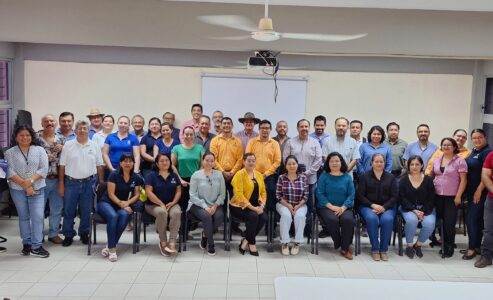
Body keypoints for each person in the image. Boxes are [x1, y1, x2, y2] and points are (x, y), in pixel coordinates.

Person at [5, 125, 49, 257]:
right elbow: (9, 171)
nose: (25, 137)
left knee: (38, 217)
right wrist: (25, 186)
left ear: (32, 136)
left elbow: (44, 169)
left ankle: (37, 245)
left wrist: (29, 183)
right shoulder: (9, 152)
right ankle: (27, 244)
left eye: (27, 135)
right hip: (17, 189)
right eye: (21, 135)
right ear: (16, 137)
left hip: (38, 187)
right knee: (23, 217)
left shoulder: (40, 150)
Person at [59, 120, 105, 247]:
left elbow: (99, 165)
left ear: (88, 130)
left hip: (89, 183)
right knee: (69, 211)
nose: (82, 130)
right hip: (71, 183)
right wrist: (61, 184)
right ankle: (68, 235)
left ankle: (84, 233)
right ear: (75, 130)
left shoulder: (94, 145)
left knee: (86, 211)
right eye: (80, 128)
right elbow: (62, 166)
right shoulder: (68, 145)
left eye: (85, 128)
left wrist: (101, 183)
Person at [97, 153, 143, 262]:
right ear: (120, 163)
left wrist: (127, 203)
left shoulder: (136, 177)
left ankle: (109, 244)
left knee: (124, 215)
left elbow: (137, 194)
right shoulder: (114, 174)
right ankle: (112, 250)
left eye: (130, 161)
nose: (128, 163)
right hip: (107, 203)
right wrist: (122, 204)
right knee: (113, 216)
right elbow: (111, 194)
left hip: (122, 204)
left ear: (133, 163)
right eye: (125, 161)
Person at [283, 119, 322, 236]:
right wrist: (296, 173)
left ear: (309, 128)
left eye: (306, 126)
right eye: (302, 126)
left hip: (310, 180)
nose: (304, 128)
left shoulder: (315, 142)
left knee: (309, 206)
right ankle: (292, 230)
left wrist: (307, 173)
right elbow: (285, 159)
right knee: (292, 205)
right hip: (291, 180)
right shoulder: (290, 142)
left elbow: (318, 160)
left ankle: (307, 230)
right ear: (297, 128)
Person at [430, 137, 467, 257]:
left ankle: (450, 245)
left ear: (454, 147)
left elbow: (463, 181)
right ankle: (442, 243)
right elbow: (432, 175)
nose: (446, 147)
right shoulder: (437, 159)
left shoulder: (460, 160)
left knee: (449, 223)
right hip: (437, 195)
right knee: (440, 221)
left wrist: (458, 196)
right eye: (444, 145)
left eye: (449, 145)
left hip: (452, 197)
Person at [357, 153, 398, 261]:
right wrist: (372, 205)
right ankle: (375, 249)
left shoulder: (391, 177)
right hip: (368, 206)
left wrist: (384, 207)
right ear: (371, 163)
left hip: (387, 207)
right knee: (372, 218)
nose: (379, 163)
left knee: (387, 219)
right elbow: (360, 196)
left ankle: (383, 249)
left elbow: (394, 196)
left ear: (385, 163)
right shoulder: (365, 176)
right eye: (376, 161)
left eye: (381, 162)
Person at [316, 152, 355, 260]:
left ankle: (345, 248)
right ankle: (340, 243)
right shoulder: (324, 176)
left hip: (344, 207)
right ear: (328, 163)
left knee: (348, 219)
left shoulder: (347, 177)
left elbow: (351, 194)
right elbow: (319, 193)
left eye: (337, 161)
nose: (334, 163)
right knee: (332, 219)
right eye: (331, 161)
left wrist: (343, 207)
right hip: (326, 207)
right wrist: (332, 207)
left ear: (341, 162)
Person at [188, 152, 226, 255]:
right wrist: (205, 206)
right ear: (202, 161)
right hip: (197, 205)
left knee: (219, 217)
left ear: (214, 162)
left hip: (215, 204)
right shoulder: (196, 175)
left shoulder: (219, 175)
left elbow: (222, 194)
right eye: (207, 160)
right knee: (207, 217)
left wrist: (215, 205)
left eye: (211, 161)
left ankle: (205, 233)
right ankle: (211, 243)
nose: (209, 163)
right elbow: (193, 195)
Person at [230, 153, 268, 256]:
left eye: (253, 161)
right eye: (249, 160)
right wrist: (254, 208)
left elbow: (263, 192)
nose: (251, 163)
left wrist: (262, 205)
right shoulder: (239, 174)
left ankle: (245, 240)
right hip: (239, 205)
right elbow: (238, 195)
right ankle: (252, 243)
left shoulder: (259, 175)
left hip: (256, 205)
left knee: (264, 217)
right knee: (254, 216)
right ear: (244, 162)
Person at [145, 153, 182, 256]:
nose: (165, 162)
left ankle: (172, 242)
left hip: (171, 203)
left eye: (167, 160)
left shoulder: (174, 175)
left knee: (177, 213)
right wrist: (160, 203)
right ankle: (163, 242)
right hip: (153, 205)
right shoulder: (151, 175)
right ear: (156, 163)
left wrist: (174, 202)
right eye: (161, 161)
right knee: (162, 213)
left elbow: (178, 191)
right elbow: (149, 192)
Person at [399, 155, 436, 259]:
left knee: (430, 223)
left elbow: (431, 198)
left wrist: (422, 211)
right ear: (408, 166)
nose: (414, 166)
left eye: (417, 164)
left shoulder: (428, 180)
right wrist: (414, 210)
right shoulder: (403, 179)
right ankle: (409, 246)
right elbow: (402, 198)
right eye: (412, 164)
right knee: (412, 220)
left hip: (426, 208)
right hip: (408, 208)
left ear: (422, 165)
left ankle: (418, 245)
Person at [463, 129, 492, 260]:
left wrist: (479, 190)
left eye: (480, 137)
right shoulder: (474, 151)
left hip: (481, 192)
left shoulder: (488, 152)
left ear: (485, 137)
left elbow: (487, 175)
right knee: (477, 220)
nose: (477, 140)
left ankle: (472, 249)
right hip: (470, 192)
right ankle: (476, 246)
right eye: (474, 138)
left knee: (472, 219)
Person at [37, 114, 64, 244]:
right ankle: (38, 235)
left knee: (57, 208)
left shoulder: (61, 139)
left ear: (56, 124)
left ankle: (53, 234)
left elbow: (67, 159)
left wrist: (63, 149)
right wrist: (43, 158)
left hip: (57, 179)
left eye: (52, 121)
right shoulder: (35, 139)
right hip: (40, 180)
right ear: (42, 124)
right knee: (38, 209)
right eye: (46, 121)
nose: (49, 123)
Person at [246, 120, 281, 214]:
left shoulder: (274, 143)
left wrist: (265, 174)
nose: (265, 130)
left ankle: (269, 222)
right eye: (262, 128)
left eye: (267, 128)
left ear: (271, 130)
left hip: (269, 176)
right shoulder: (252, 142)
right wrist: (256, 174)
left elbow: (277, 161)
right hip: (253, 175)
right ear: (259, 129)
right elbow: (247, 158)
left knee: (270, 192)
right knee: (253, 195)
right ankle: (255, 217)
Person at [276, 155, 308, 256]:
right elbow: (278, 195)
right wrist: (289, 206)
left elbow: (306, 196)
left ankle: (297, 243)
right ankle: (284, 243)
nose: (292, 166)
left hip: (300, 204)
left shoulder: (303, 178)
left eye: (294, 163)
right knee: (286, 216)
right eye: (289, 164)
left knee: (300, 216)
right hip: (283, 204)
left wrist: (297, 206)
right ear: (285, 166)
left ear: (297, 165)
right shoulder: (281, 178)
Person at [171, 126, 205, 211]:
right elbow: (172, 165)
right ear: (182, 135)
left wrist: (196, 178)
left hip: (196, 180)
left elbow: (202, 164)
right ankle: (182, 223)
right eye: (186, 134)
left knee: (195, 204)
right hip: (181, 180)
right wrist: (180, 180)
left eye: (191, 134)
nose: (189, 136)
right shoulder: (176, 148)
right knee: (183, 204)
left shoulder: (200, 148)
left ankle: (193, 224)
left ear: (194, 136)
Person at [210, 117, 244, 194]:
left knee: (234, 199)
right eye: (224, 123)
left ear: (232, 126)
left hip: (234, 175)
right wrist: (222, 172)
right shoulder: (215, 140)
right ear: (221, 126)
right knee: (220, 198)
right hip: (218, 174)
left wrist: (232, 172)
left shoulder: (238, 141)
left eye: (229, 123)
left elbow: (240, 159)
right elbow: (213, 159)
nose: (226, 125)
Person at [477, 150, 493, 268]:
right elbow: (485, 175)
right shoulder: (491, 155)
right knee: (488, 230)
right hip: (492, 198)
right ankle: (486, 257)